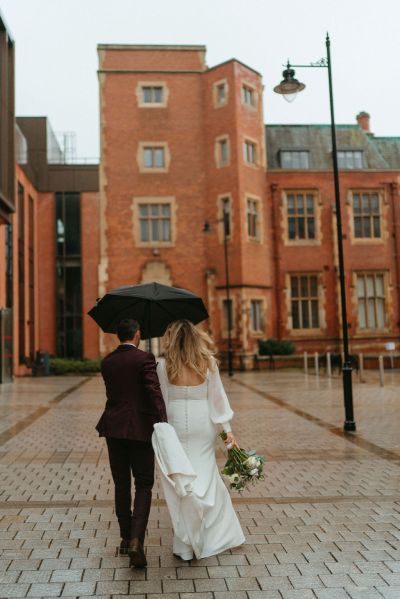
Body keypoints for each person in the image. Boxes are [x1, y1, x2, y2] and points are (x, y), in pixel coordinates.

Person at [155, 319, 245, 560]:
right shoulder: (208, 364)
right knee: (205, 474)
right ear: (196, 338)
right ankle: (213, 534)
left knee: (181, 479)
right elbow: (217, 401)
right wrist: (227, 431)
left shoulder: (163, 366)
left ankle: (184, 542)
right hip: (202, 422)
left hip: (174, 423)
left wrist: (160, 430)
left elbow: (162, 401)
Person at [96, 318, 167, 568]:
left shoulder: (107, 361)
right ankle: (137, 539)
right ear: (137, 334)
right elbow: (153, 391)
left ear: (118, 335)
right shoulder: (144, 359)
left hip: (113, 428)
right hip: (139, 429)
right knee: (144, 484)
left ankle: (126, 538)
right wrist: (163, 421)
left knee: (121, 483)